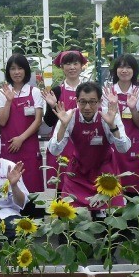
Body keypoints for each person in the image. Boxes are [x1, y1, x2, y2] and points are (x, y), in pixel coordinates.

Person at [48, 81, 131, 209]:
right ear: (77, 101)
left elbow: (124, 148)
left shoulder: (109, 115)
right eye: (83, 102)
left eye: (92, 102)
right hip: (77, 174)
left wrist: (112, 126)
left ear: (99, 101)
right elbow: (54, 150)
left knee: (107, 220)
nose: (87, 107)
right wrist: (63, 126)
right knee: (69, 217)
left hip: (105, 174)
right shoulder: (68, 116)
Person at [102, 53, 139, 195]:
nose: (124, 71)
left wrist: (132, 107)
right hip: (113, 144)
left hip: (135, 145)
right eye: (121, 67)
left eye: (129, 67)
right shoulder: (107, 91)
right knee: (113, 187)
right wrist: (113, 107)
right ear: (115, 70)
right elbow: (106, 121)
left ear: (134, 71)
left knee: (136, 186)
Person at [0, 54, 45, 195]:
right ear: (8, 72)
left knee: (31, 185)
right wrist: (9, 101)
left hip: (29, 145)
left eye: (20, 68)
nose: (16, 72)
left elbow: (38, 120)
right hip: (9, 146)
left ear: (26, 71)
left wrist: (21, 139)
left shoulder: (34, 92)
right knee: (9, 185)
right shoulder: (2, 93)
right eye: (13, 69)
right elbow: (2, 121)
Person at [42, 49, 86, 188]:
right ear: (62, 67)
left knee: (85, 187)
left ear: (81, 66)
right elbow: (49, 122)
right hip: (61, 145)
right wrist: (53, 105)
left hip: (84, 143)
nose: (72, 67)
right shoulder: (56, 91)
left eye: (75, 63)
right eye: (67, 64)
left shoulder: (89, 89)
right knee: (61, 189)